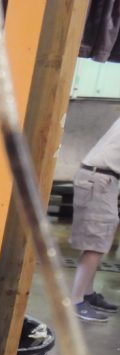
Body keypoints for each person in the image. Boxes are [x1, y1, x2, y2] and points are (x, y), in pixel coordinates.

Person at [69, 117, 120, 322]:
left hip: (102, 180)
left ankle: (87, 294)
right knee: (95, 244)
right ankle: (76, 301)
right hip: (99, 180)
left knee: (97, 241)